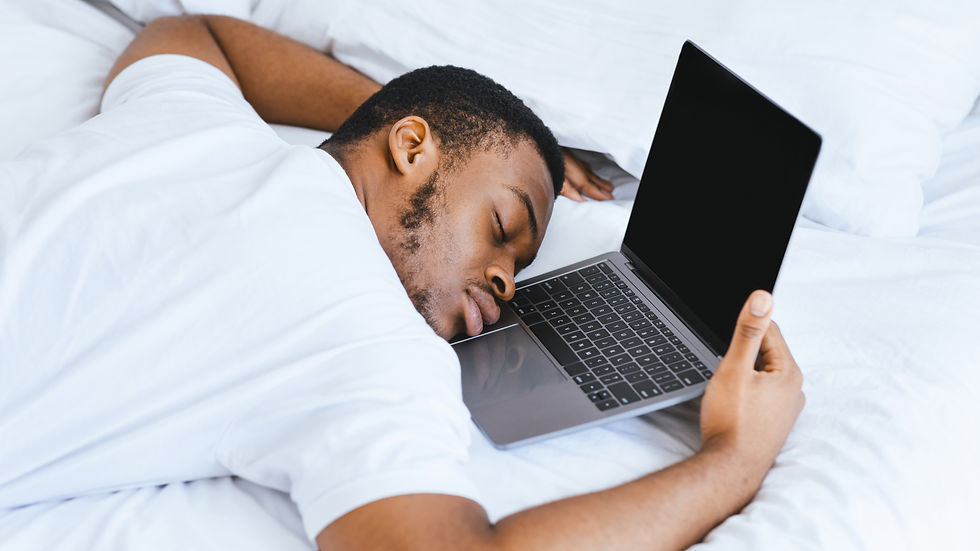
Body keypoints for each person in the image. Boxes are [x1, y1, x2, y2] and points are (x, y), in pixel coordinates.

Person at [0, 14, 804, 551]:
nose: (505, 279)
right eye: (504, 226)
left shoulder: (188, 120)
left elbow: (191, 33)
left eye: (517, 266)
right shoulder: (363, 338)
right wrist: (735, 459)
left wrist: (425, 127)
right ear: (411, 147)